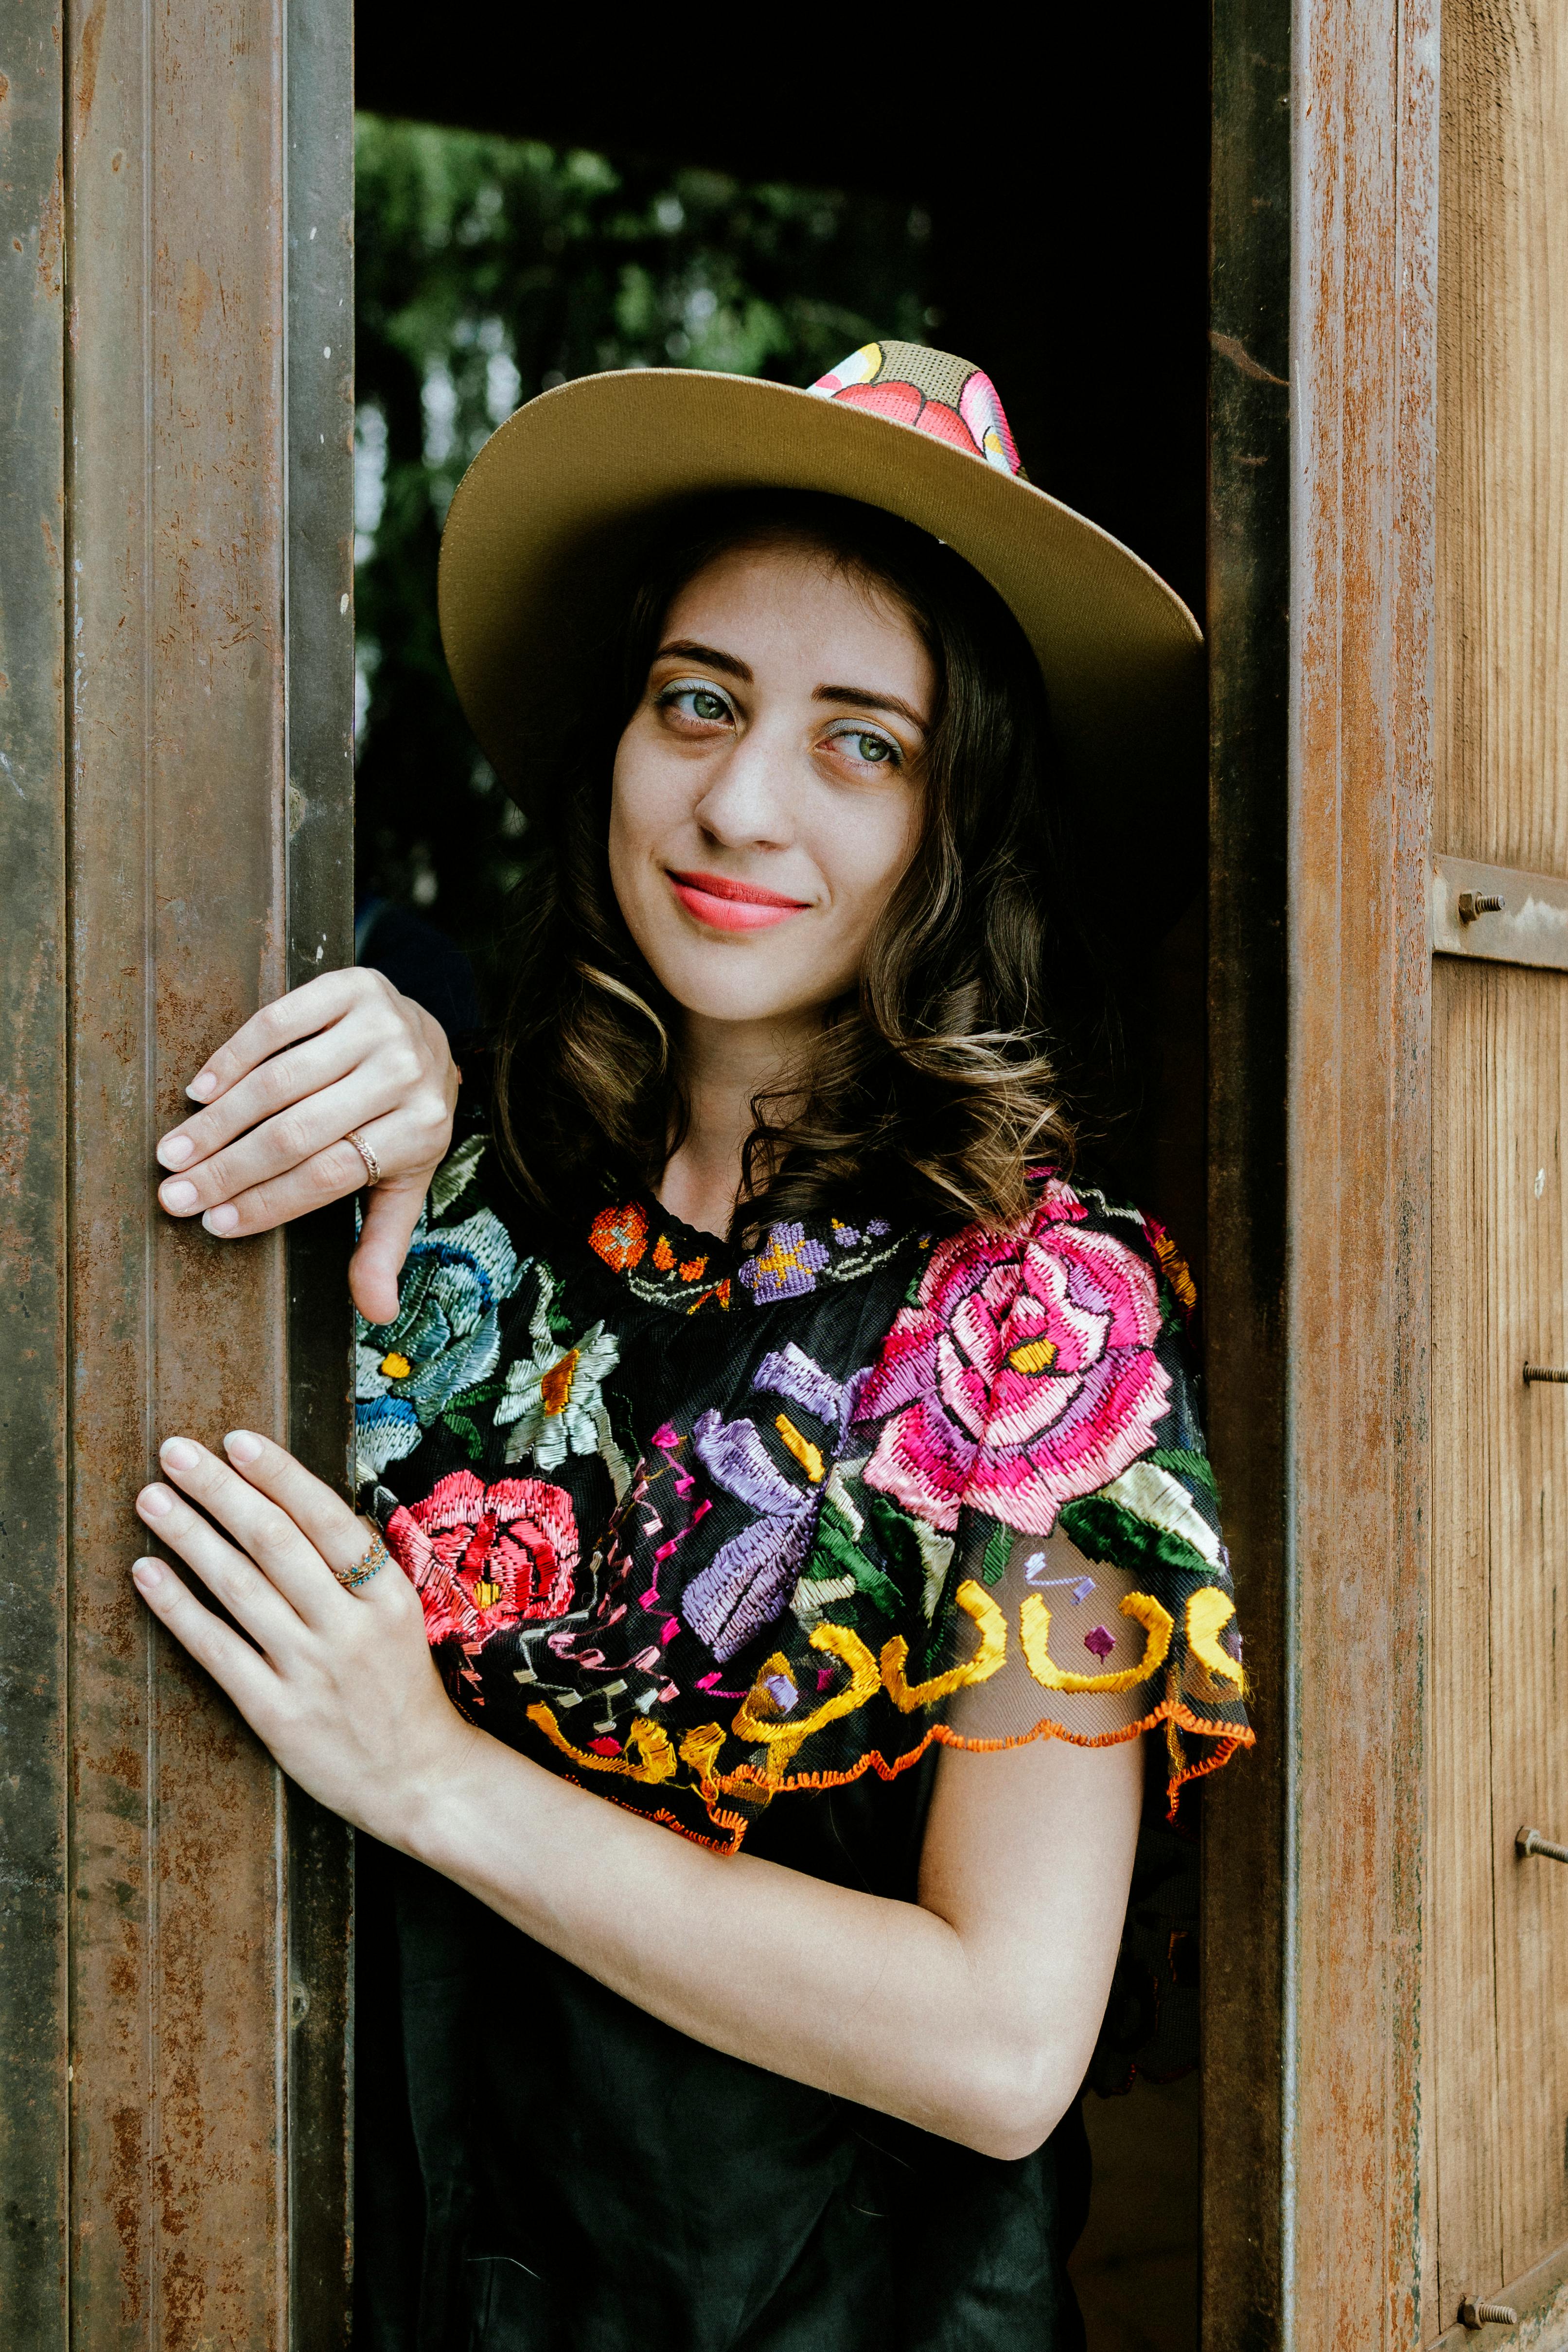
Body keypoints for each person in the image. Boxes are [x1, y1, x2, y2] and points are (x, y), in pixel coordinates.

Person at [134, 340, 1251, 2351]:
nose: (741, 801)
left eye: (863, 742)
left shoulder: (1036, 1315)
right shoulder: (439, 1178)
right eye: (702, 703)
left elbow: (1004, 2036)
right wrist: (389, 1020)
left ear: (959, 816)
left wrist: (436, 1778)